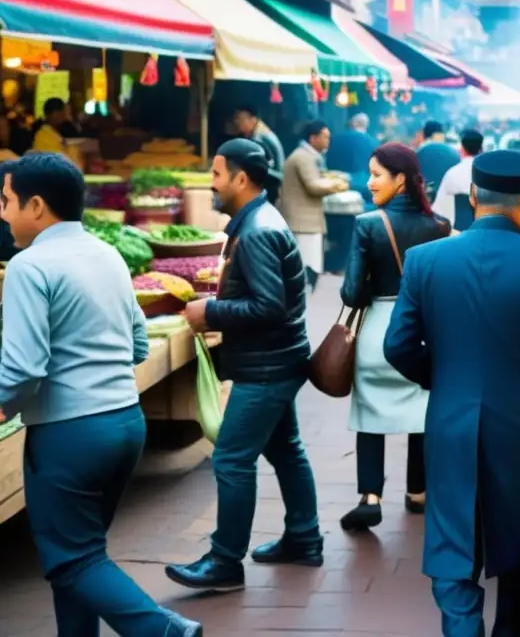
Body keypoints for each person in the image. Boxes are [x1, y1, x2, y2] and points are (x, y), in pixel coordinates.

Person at [383, 150, 520, 637]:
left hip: (450, 420)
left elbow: (397, 346)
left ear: (475, 197)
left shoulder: (425, 260)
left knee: (453, 541)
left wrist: (445, 376)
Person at [0, 153, 202, 636]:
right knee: (83, 555)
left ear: (37, 206)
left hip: (69, 435)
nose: (2, 213)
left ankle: (165, 630)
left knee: (71, 560)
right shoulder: (106, 254)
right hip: (126, 424)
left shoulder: (30, 266)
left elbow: (23, 368)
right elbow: (136, 342)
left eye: (6, 201)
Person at [166, 139, 321, 592]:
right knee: (286, 450)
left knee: (232, 459)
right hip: (278, 359)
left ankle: (224, 561)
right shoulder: (256, 221)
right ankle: (304, 538)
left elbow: (269, 306)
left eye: (216, 174)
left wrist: (210, 311)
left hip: (268, 367)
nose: (210, 184)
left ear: (240, 179)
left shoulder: (256, 231)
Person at [340, 143, 451, 531]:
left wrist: (373, 282)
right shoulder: (440, 226)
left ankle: (370, 497)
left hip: (376, 334)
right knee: (422, 413)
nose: (369, 183)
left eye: (376, 174)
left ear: (400, 179)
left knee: (370, 414)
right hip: (423, 333)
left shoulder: (367, 225)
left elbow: (351, 294)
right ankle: (418, 492)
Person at [279, 121, 350, 291]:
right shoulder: (303, 157)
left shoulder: (308, 156)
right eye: (325, 137)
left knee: (305, 270)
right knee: (307, 270)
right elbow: (314, 185)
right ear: (312, 138)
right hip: (303, 223)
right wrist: (339, 184)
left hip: (305, 221)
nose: (328, 141)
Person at [234, 104, 286, 205]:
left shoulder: (260, 138)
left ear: (253, 120)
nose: (237, 123)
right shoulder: (257, 134)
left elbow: (259, 167)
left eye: (240, 119)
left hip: (271, 184)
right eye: (236, 119)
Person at [432, 129, 484, 225]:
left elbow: (438, 211)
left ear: (462, 149)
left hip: (456, 232)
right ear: (481, 148)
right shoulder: (487, 174)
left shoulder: (452, 174)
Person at [331, 112, 378, 205]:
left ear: (352, 123)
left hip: (337, 181)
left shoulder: (335, 138)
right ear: (366, 125)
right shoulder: (372, 142)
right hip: (363, 183)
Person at [417, 121, 461, 203]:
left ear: (424, 134)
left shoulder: (421, 150)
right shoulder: (452, 150)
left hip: (425, 193)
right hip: (448, 195)